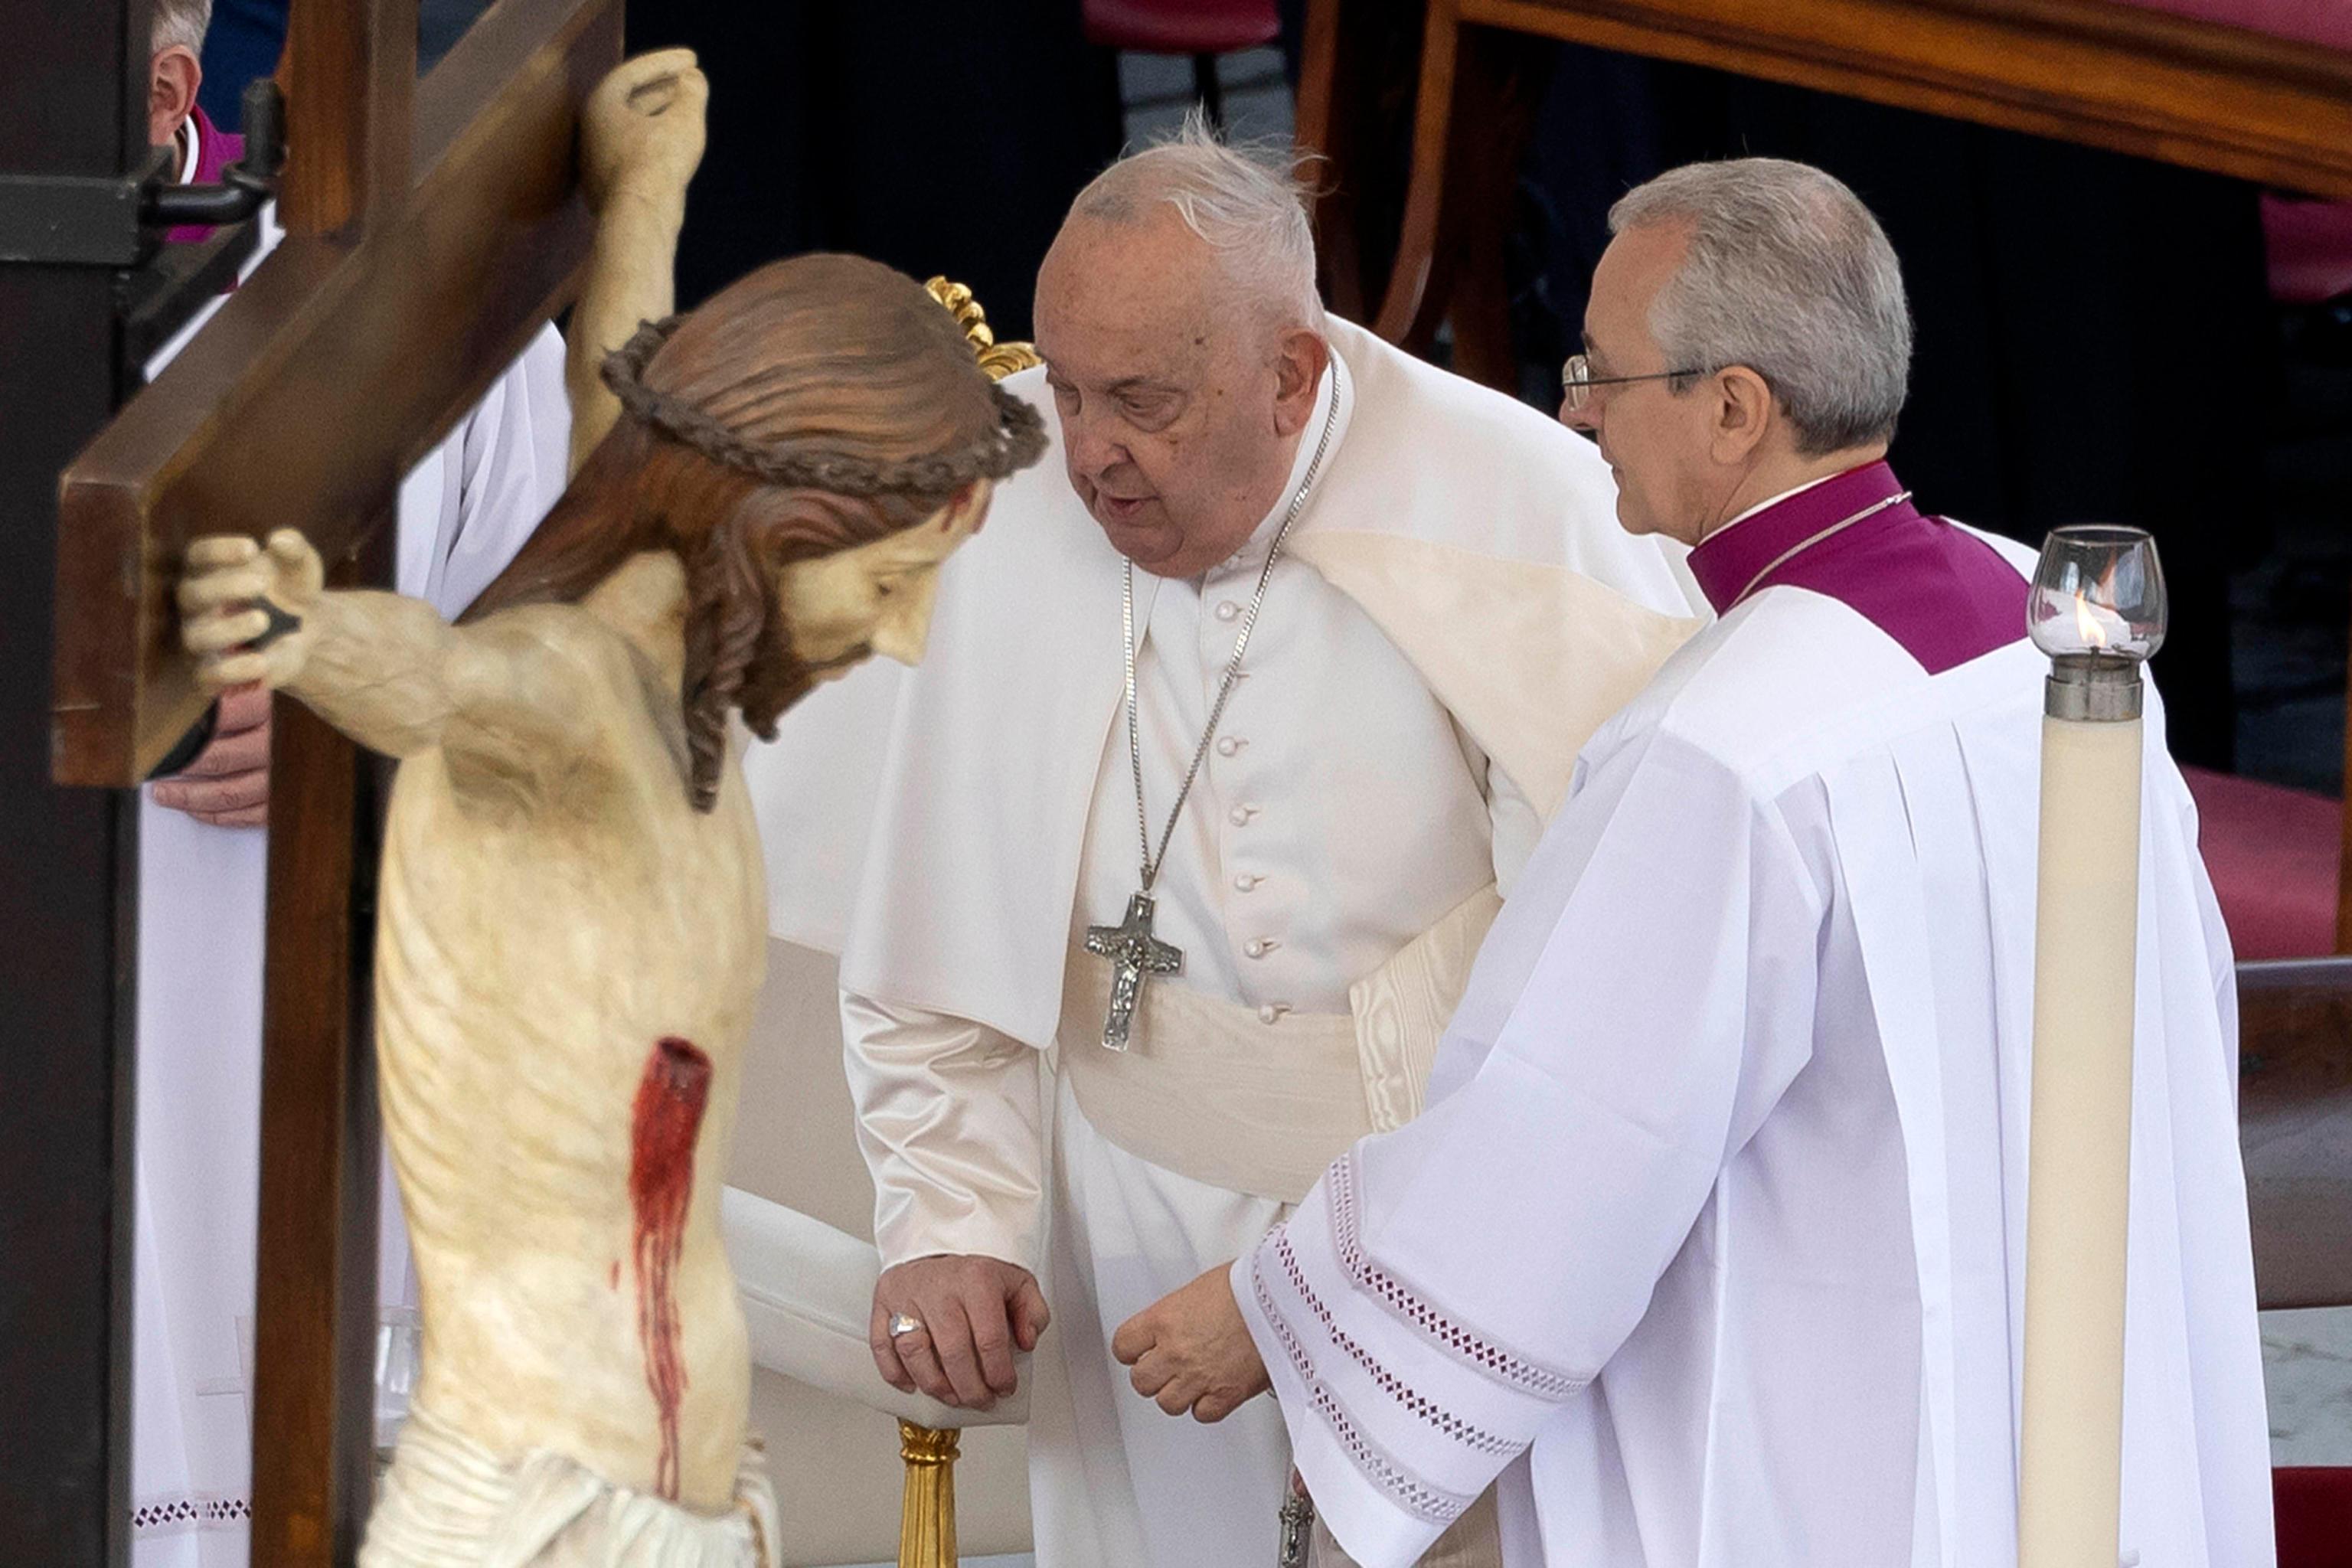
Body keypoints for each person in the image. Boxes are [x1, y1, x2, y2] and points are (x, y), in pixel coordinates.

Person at [1111, 157, 2275, 1567]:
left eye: (1604, 369)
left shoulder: (1725, 750)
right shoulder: (2047, 620)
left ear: (1733, 408)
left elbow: (1566, 1140)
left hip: (1835, 1436)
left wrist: (1282, 1302)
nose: (1575, 408)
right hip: (2070, 1366)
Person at [759, 116, 1704, 1566]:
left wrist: (1334, 1290)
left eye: (1141, 401)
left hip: (1424, 1241)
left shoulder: (1519, 509)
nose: (1087, 455)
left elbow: (1598, 1018)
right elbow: (941, 946)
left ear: (1292, 372)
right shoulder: (1009, 508)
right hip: (1125, 1218)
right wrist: (951, 1217)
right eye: (1065, 391)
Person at [175, 252, 1046, 1564]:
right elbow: (442, 676)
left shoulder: (665, 699)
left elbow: (606, 421)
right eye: (886, 584)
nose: (912, 640)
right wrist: (302, 647)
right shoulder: (570, 688)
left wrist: (643, 185)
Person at [126, 34, 691, 1566]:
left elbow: (572, 674)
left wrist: (365, 743)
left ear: (173, 93)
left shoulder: (424, 317)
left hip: (349, 992)